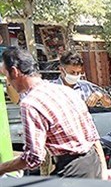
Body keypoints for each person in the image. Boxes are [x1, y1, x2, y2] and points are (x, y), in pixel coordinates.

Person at [0, 47, 105, 179]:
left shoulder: (30, 103)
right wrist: (103, 169)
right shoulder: (65, 91)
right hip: (93, 163)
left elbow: (33, 158)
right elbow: (93, 136)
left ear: (15, 72)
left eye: (7, 76)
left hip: (72, 170)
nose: (8, 82)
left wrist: (3, 168)